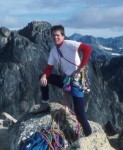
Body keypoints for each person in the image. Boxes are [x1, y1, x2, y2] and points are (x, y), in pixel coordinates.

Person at [30, 25, 92, 136]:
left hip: (76, 82)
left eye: (58, 35)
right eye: (53, 35)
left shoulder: (70, 44)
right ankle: (45, 104)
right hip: (65, 80)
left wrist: (81, 67)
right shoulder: (54, 50)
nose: (55, 37)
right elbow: (49, 67)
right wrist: (44, 76)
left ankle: (88, 134)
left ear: (63, 36)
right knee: (42, 77)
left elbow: (87, 49)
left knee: (79, 113)